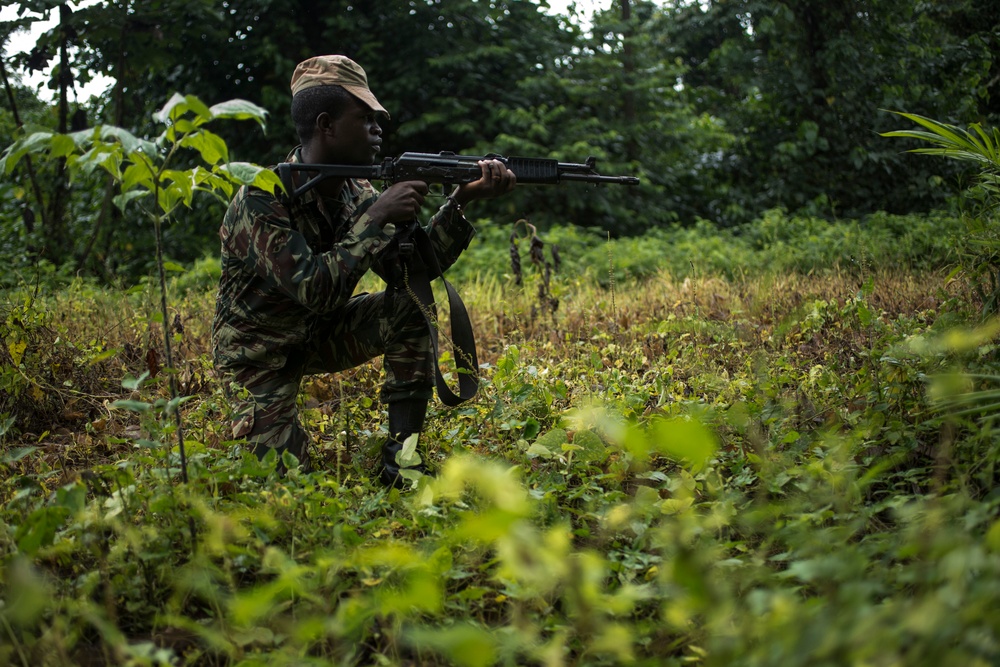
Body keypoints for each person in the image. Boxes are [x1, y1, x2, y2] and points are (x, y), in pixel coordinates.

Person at [211, 55, 516, 486]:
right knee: (285, 481)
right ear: (326, 125)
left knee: (410, 305)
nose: (378, 128)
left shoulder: (359, 190)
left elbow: (407, 273)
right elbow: (316, 289)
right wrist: (374, 219)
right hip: (258, 356)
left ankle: (400, 462)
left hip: (319, 334)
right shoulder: (261, 199)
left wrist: (461, 202)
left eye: (378, 119)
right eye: (365, 117)